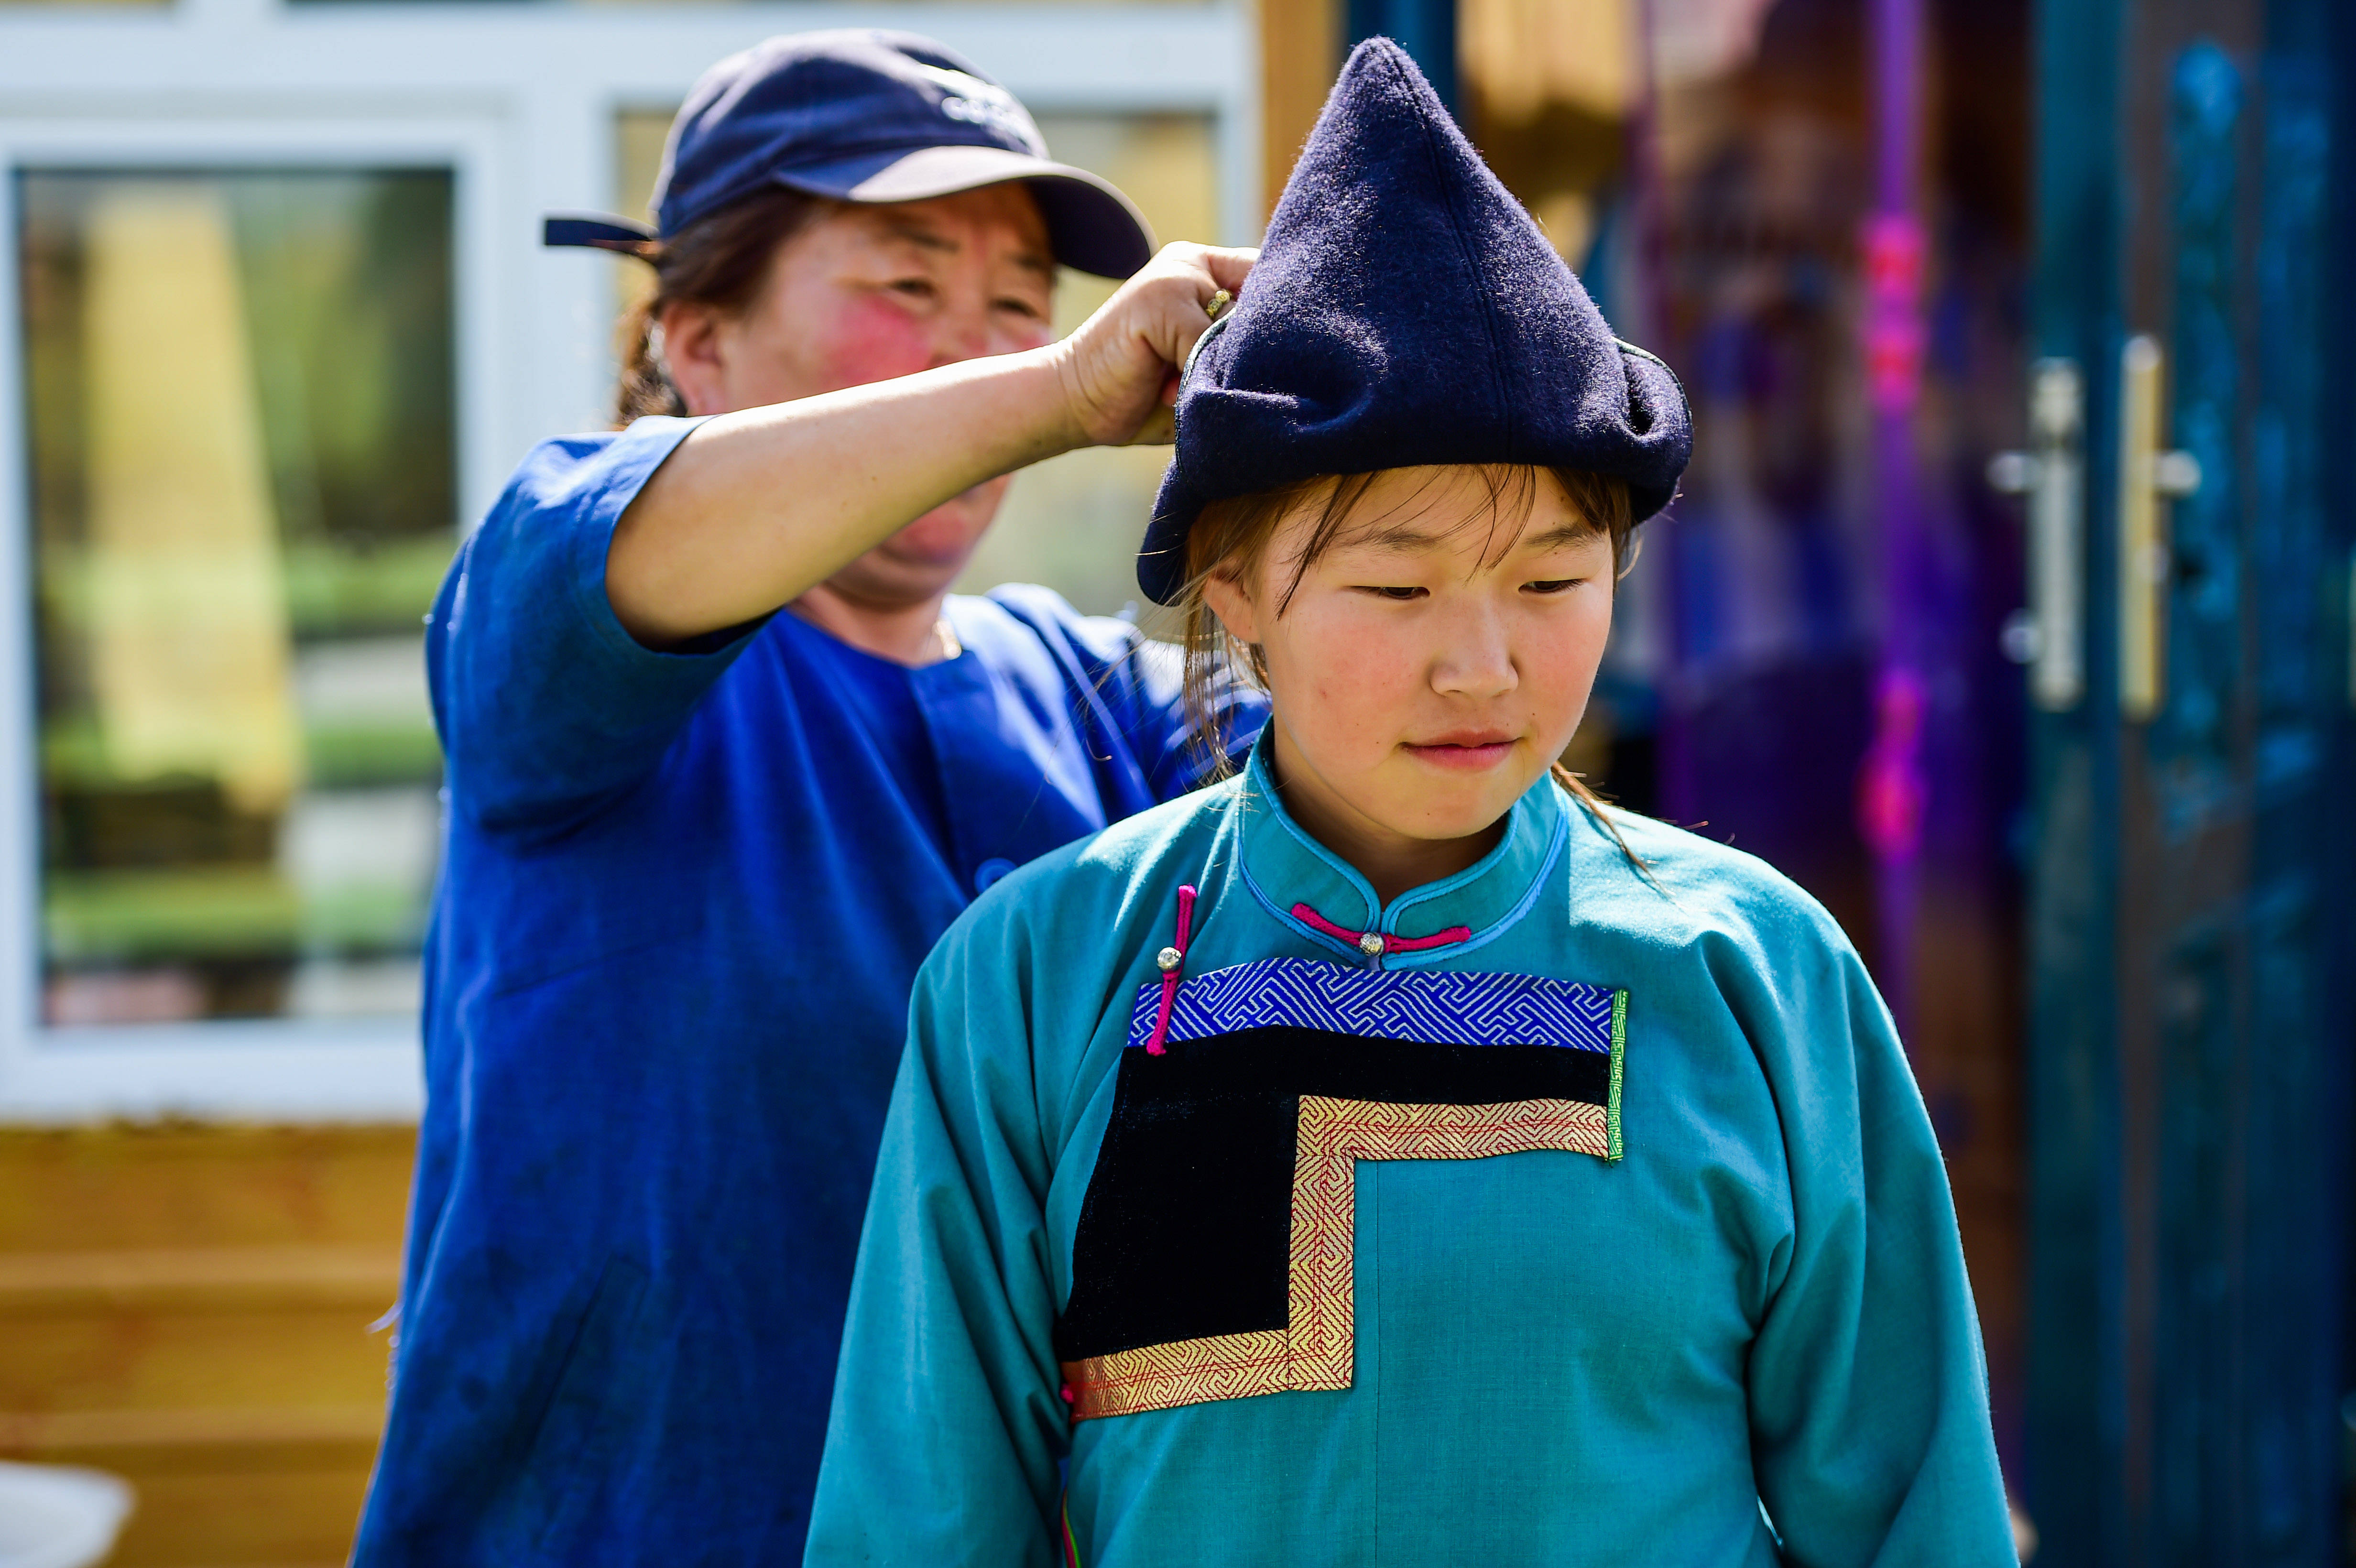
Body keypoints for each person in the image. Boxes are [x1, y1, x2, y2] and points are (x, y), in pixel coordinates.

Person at [806, 40, 2016, 1567]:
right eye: (1396, 583)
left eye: (1553, 581)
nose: (1483, 665)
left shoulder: (1756, 976)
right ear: (1233, 588)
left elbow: (1917, 1518)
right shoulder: (1036, 984)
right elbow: (920, 1527)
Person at [351, 30, 1261, 1565]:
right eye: (907, 286)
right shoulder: (560, 608)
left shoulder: (1107, 700)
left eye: (1019, 307)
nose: (977, 346)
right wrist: (1051, 382)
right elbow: (624, 534)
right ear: (695, 336)